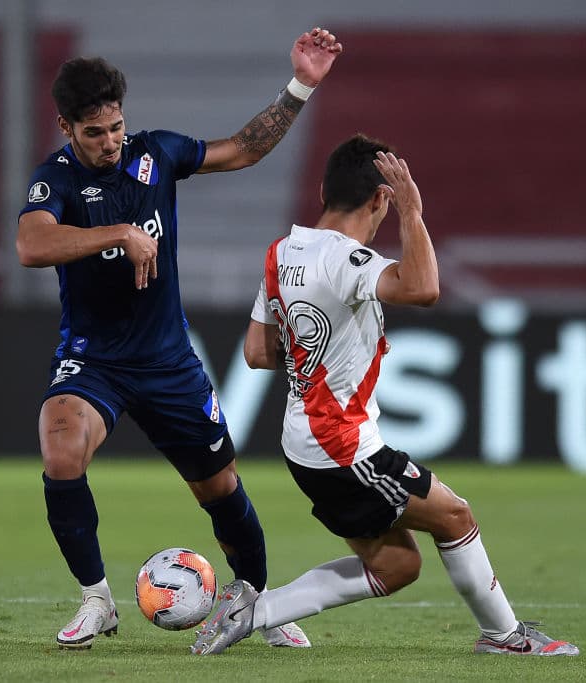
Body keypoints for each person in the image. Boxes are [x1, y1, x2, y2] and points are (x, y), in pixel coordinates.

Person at [190, 134, 579, 657]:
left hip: (303, 442)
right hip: (342, 446)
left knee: (396, 566)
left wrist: (318, 351)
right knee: (455, 517)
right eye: (388, 203)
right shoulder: (349, 259)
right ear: (380, 198)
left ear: (324, 190)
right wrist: (413, 212)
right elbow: (423, 288)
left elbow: (257, 353)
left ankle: (254, 610)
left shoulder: (282, 252)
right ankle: (505, 638)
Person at [17, 28, 342, 649]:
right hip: (93, 361)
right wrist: (120, 232)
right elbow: (31, 245)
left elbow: (243, 150)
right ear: (66, 128)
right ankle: (97, 600)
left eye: (116, 127)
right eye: (94, 132)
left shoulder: (157, 153)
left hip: (168, 361)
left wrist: (301, 84)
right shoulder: (53, 179)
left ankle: (257, 605)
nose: (110, 142)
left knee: (220, 488)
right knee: (60, 453)